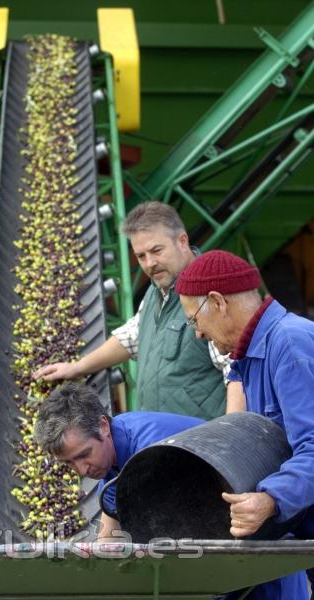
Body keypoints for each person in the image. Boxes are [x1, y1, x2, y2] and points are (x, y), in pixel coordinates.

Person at [34, 381, 308, 600]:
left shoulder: (153, 451)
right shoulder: (111, 454)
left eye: (83, 455)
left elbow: (182, 556)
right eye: (69, 463)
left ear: (103, 426)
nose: (81, 470)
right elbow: (111, 526)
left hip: (257, 563)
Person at [175, 249, 314, 596]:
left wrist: (270, 499)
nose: (198, 334)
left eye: (194, 320)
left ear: (217, 302)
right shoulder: (251, 357)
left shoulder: (289, 343)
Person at [34, 202, 242, 418]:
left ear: (182, 241)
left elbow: (236, 374)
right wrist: (79, 367)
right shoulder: (157, 291)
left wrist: (228, 437)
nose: (150, 263)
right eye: (141, 256)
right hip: (158, 436)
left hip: (199, 440)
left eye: (156, 250)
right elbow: (132, 336)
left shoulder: (207, 294)